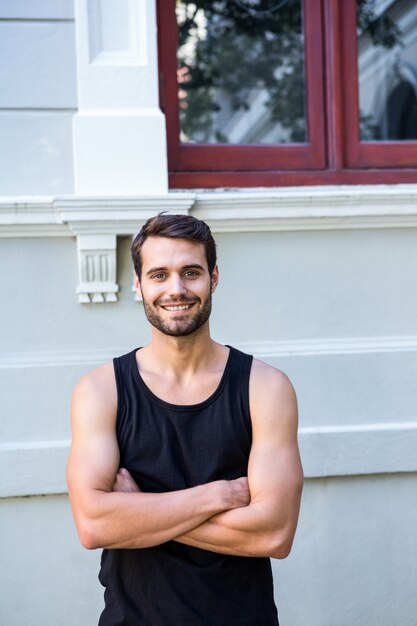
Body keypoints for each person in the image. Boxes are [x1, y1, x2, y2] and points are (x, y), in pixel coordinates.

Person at [67, 213, 303, 625]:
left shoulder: (264, 388)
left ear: (213, 278)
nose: (175, 289)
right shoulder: (101, 391)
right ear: (139, 285)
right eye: (159, 275)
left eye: (190, 272)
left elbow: (274, 534)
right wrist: (216, 496)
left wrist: (136, 510)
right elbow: (93, 525)